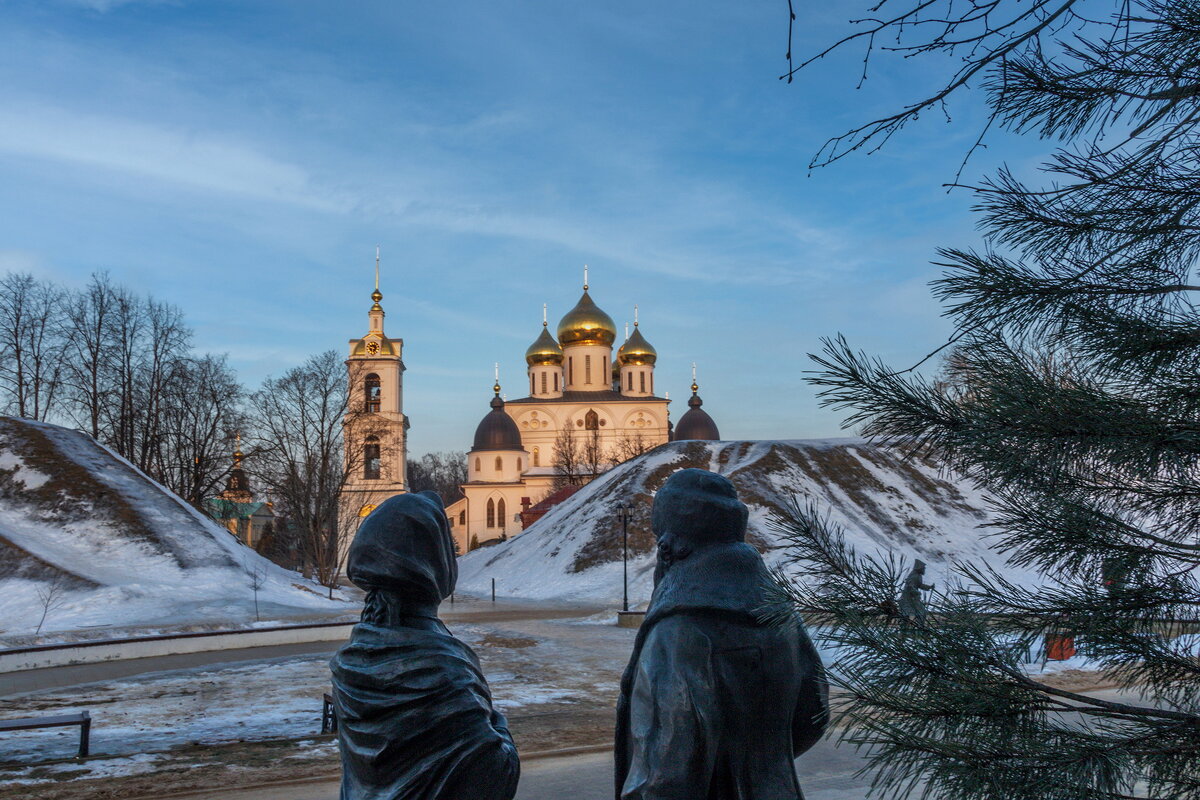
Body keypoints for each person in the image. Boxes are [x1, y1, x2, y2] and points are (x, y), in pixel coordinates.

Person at [615, 469, 829, 800]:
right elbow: (814, 713)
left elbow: (665, 775)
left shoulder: (679, 631)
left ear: (670, 547)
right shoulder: (778, 614)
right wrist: (762, 762)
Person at [331, 492, 519, 800]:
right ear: (436, 565)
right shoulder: (445, 671)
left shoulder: (351, 659)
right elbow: (493, 776)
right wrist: (498, 724)